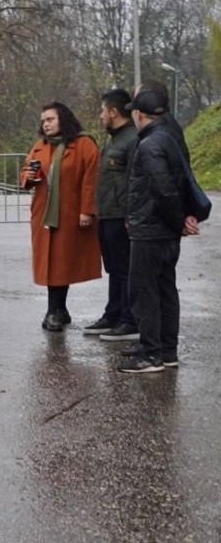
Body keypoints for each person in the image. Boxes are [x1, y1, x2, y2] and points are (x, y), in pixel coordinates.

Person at [118, 82, 198, 373]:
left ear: (139, 115)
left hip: (151, 230)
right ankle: (166, 351)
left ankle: (151, 354)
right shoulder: (169, 136)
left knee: (145, 291)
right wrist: (182, 219)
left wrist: (178, 220)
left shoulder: (150, 144)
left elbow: (163, 189)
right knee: (165, 290)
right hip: (163, 230)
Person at [21, 102, 101, 331]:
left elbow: (90, 180)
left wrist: (86, 209)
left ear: (63, 119)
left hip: (69, 214)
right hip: (44, 214)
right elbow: (26, 174)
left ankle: (55, 310)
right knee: (48, 262)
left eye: (50, 119)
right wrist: (29, 176)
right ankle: (58, 310)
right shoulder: (40, 146)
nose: (45, 124)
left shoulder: (84, 144)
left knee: (61, 262)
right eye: (43, 121)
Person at [83, 89, 140, 342]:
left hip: (121, 216)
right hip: (107, 215)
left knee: (125, 269)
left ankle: (130, 320)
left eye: (103, 110)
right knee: (115, 268)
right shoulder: (114, 139)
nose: (100, 115)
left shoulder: (132, 140)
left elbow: (135, 182)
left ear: (114, 112)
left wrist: (130, 216)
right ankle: (113, 313)